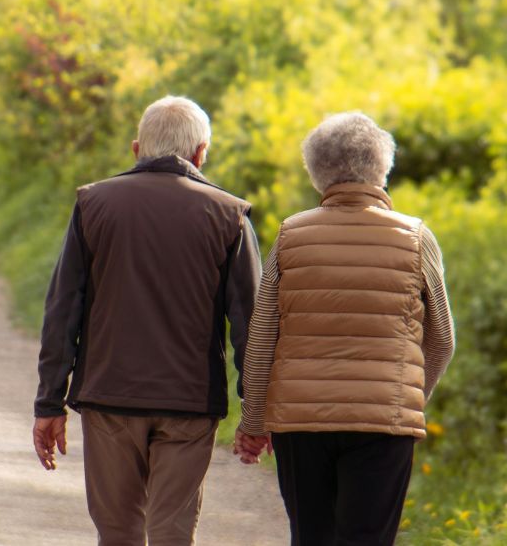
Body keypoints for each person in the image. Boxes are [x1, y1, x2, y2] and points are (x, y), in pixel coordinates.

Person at [33, 95, 261, 546]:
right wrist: (255, 411)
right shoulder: (229, 215)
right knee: (173, 534)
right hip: (190, 403)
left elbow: (63, 309)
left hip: (109, 397)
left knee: (117, 533)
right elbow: (251, 323)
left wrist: (49, 402)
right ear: (201, 153)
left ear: (137, 149)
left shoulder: (93, 204)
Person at [235, 112, 455, 546]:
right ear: (382, 168)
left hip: (301, 423)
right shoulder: (416, 238)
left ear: (317, 173)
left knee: (311, 537)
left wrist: (255, 420)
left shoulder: (291, 235)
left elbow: (262, 336)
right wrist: (404, 397)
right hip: (383, 424)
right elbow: (442, 338)